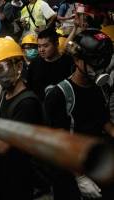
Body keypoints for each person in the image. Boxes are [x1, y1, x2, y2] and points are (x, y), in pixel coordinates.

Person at [44, 30, 114, 200]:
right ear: (76, 59)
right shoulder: (59, 95)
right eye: (94, 61)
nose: (100, 67)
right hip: (70, 174)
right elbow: (58, 141)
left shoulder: (98, 88)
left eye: (104, 61)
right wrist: (80, 177)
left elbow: (102, 119)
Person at [0, 37, 48, 200]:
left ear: (19, 66)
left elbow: (3, 146)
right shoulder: (4, 94)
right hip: (0, 174)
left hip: (17, 180)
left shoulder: (27, 103)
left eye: (0, 69)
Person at [27, 28, 74, 100]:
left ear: (56, 44)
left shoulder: (69, 62)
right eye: (39, 46)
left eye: (45, 46)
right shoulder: (34, 64)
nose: (41, 50)